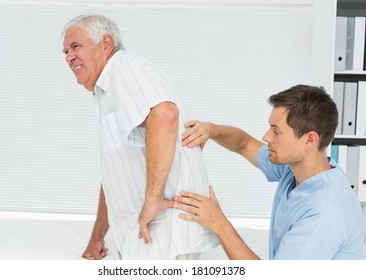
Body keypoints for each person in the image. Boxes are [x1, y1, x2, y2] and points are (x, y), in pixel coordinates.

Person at [61, 14, 218, 260]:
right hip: (146, 238)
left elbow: (166, 115)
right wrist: (97, 236)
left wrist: (153, 199)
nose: (69, 57)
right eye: (65, 52)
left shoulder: (125, 69)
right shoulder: (108, 90)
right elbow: (115, 174)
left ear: (106, 44)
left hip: (165, 237)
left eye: (75, 46)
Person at [174, 84, 366, 259]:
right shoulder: (296, 168)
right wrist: (211, 130)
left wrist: (218, 224)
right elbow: (244, 144)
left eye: (276, 131)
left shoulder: (323, 214)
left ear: (309, 140)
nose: (266, 137)